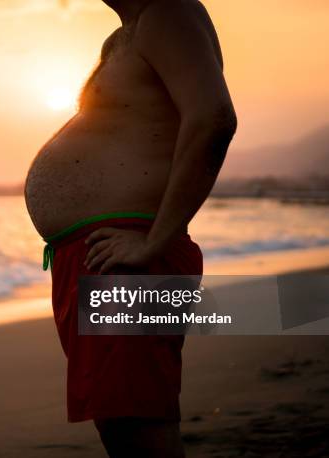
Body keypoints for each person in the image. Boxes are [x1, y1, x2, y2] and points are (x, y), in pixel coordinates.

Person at [24, 0, 237, 456]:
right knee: (121, 427)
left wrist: (155, 242)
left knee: (140, 428)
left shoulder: (167, 12)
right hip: (99, 256)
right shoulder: (128, 33)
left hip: (127, 256)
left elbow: (214, 118)